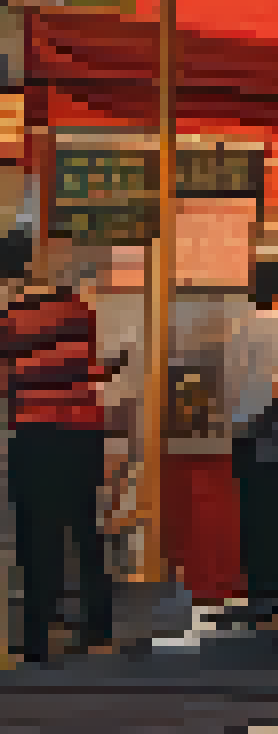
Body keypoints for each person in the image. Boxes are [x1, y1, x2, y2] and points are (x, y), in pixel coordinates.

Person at [0, 233, 122, 662]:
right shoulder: (78, 310)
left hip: (36, 433)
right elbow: (82, 366)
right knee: (86, 529)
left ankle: (38, 637)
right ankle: (99, 629)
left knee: (37, 536)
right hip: (84, 432)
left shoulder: (9, 319)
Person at [227, 260, 278, 622]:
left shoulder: (239, 327)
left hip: (248, 428)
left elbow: (230, 381)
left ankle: (260, 592)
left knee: (255, 513)